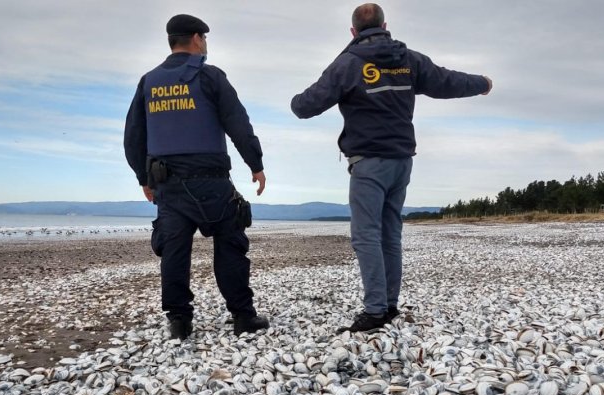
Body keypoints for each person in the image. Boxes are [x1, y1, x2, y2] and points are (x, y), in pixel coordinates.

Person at [291, 3, 492, 333]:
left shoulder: (348, 63)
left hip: (369, 161)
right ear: (386, 25)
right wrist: (481, 82)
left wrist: (295, 100)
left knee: (366, 235)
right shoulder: (408, 59)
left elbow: (305, 106)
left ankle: (375, 310)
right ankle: (388, 305)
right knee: (389, 233)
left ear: (353, 32)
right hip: (401, 160)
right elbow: (447, 81)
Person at [124, 14, 269, 339]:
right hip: (212, 183)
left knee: (174, 250)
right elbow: (238, 123)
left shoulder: (149, 82)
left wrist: (142, 178)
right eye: (204, 39)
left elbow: (134, 134)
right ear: (196, 39)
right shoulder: (210, 77)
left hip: (168, 185)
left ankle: (179, 322)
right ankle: (243, 317)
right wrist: (255, 164)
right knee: (230, 241)